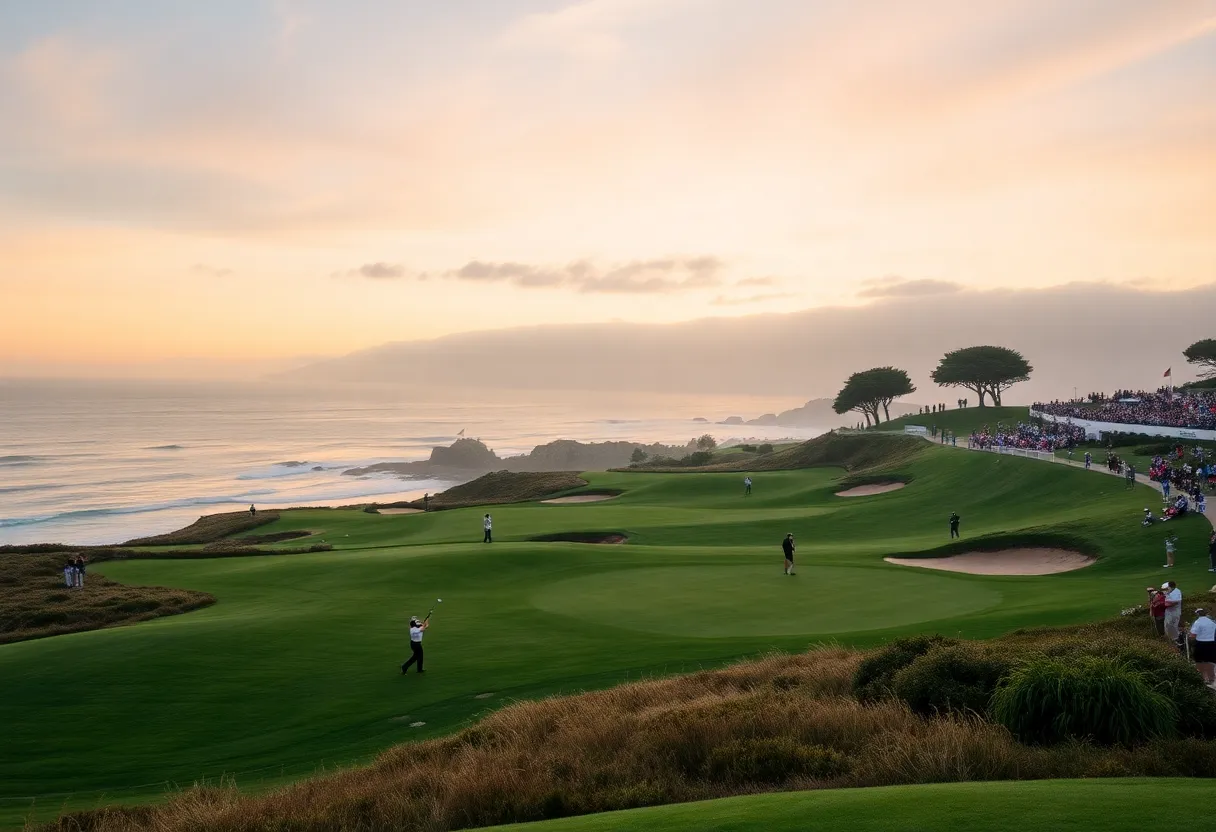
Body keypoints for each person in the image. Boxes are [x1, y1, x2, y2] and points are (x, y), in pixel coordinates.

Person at [1188, 608, 1216, 687]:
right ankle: (1211, 678)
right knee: (1210, 661)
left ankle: (1205, 679)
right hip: (1212, 643)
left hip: (1201, 643)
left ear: (1197, 614)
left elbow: (1193, 635)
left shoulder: (1198, 622)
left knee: (1200, 661)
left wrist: (1190, 636)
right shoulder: (1211, 622)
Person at [1161, 580, 1183, 645]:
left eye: (1167, 589)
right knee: (1168, 626)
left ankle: (1176, 640)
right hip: (1169, 613)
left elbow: (1174, 603)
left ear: (1171, 587)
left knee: (1172, 626)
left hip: (1174, 613)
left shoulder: (1176, 592)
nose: (1165, 590)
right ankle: (1170, 640)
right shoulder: (1170, 591)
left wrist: (1163, 604)